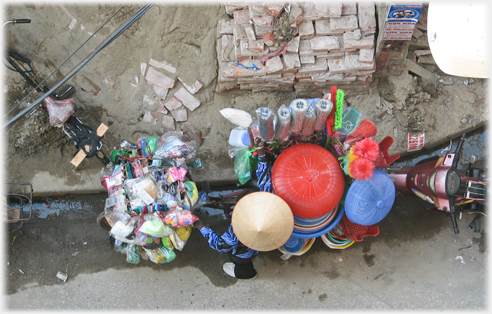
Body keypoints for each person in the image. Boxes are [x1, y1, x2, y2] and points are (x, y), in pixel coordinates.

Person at [193, 137, 291, 279]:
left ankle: (246, 274)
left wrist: (201, 226)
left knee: (242, 263)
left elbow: (219, 246)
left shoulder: (235, 234)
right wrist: (262, 156)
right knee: (247, 258)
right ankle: (248, 271)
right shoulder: (271, 211)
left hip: (240, 255)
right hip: (254, 249)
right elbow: (265, 182)